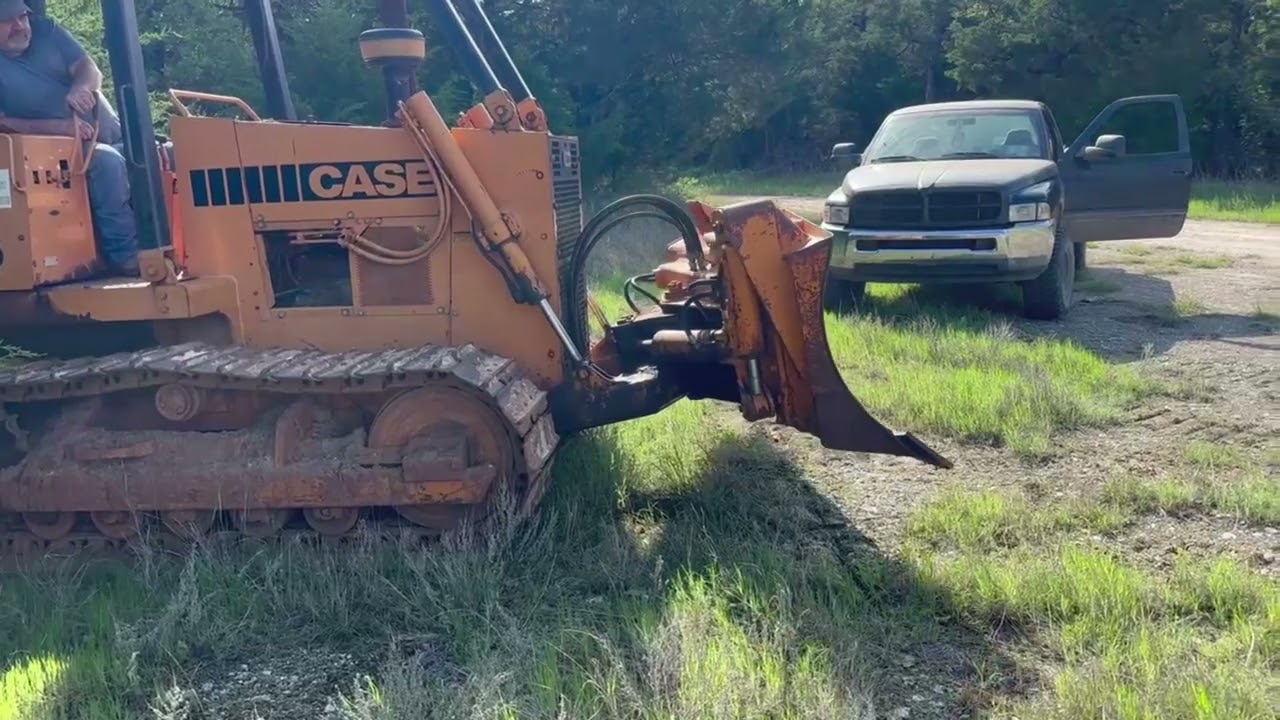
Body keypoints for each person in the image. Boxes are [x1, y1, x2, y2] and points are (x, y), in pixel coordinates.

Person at [0, 0, 139, 276]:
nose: (21, 26)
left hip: (107, 133)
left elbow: (88, 68)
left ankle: (178, 249)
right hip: (48, 152)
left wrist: (81, 88)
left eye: (22, 17)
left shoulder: (46, 31)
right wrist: (57, 127)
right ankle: (126, 258)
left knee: (164, 155)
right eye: (8, 21)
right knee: (107, 162)